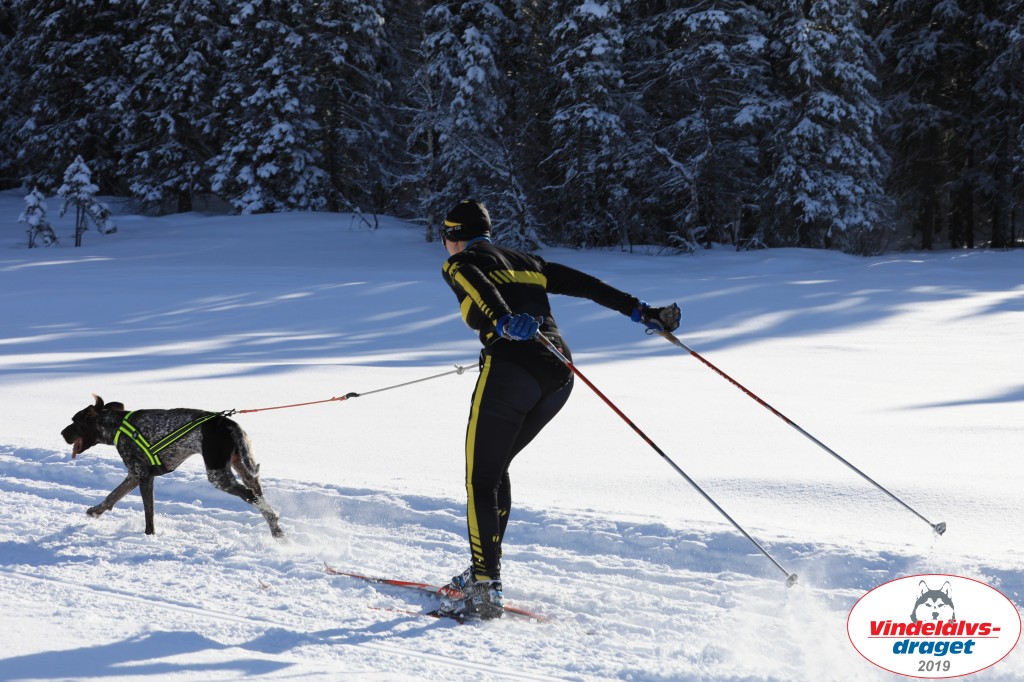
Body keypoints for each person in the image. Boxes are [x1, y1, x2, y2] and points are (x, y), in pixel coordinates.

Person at [434, 199, 681, 621]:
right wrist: (642, 311)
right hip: (558, 372)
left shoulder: (460, 263)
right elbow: (588, 285)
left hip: (512, 370)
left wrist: (503, 320)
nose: (445, 247)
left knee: (481, 478)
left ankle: (485, 585)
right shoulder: (528, 262)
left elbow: (478, 286)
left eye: (445, 238)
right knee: (496, 468)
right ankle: (483, 572)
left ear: (453, 236)